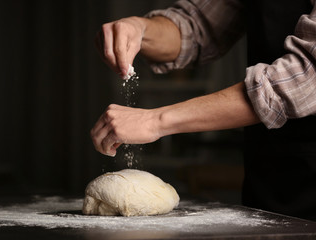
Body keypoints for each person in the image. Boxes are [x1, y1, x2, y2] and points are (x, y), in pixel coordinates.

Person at [91, 0, 316, 221]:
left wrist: (155, 120)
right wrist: (140, 28)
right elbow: (197, 24)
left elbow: (305, 74)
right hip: (268, 166)